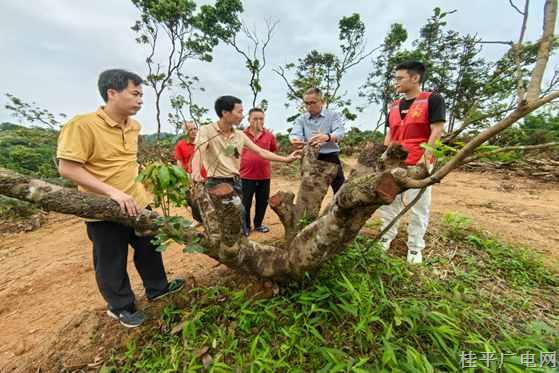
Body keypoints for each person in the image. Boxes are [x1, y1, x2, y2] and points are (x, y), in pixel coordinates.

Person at [56, 69, 184, 328]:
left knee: (149, 247)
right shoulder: (82, 125)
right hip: (103, 207)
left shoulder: (135, 126)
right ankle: (121, 306)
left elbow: (126, 163)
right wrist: (112, 192)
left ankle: (157, 288)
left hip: (137, 201)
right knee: (111, 258)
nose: (140, 100)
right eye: (135, 93)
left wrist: (146, 185)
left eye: (142, 95)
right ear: (112, 93)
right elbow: (68, 167)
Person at [191, 96, 301, 236]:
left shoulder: (239, 135)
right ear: (225, 113)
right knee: (238, 212)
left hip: (236, 181)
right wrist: (196, 171)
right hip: (217, 182)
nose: (242, 116)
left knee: (237, 215)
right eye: (239, 112)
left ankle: (240, 241)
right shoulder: (207, 130)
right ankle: (236, 239)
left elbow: (261, 151)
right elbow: (199, 150)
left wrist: (286, 159)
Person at [378, 61, 446, 264]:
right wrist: (383, 157)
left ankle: (415, 248)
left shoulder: (432, 100)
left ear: (415, 78)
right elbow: (391, 132)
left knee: (419, 206)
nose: (396, 82)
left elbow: (437, 129)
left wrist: (427, 159)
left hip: (418, 161)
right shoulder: (394, 106)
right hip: (394, 161)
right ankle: (385, 238)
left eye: (400, 78)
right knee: (389, 202)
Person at [289, 87, 346, 194]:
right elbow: (295, 134)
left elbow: (340, 132)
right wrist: (296, 141)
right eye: (306, 103)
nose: (309, 106)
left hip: (331, 157)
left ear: (322, 102)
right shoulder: (301, 119)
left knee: (340, 190)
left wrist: (327, 137)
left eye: (312, 102)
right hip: (310, 158)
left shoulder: (333, 116)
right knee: (309, 192)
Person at [240, 108, 277, 234]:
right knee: (245, 203)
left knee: (262, 202)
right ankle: (246, 227)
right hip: (245, 175)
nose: (258, 121)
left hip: (264, 175)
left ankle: (258, 224)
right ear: (248, 119)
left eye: (261, 118)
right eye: (255, 118)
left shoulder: (270, 136)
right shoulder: (241, 135)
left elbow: (272, 151)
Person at [175, 121, 206, 227]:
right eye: (190, 130)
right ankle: (197, 219)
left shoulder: (202, 142)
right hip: (190, 175)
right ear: (185, 132)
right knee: (192, 200)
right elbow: (179, 162)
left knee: (208, 198)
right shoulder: (181, 144)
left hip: (206, 175)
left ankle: (208, 218)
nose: (193, 131)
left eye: (195, 129)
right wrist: (182, 177)